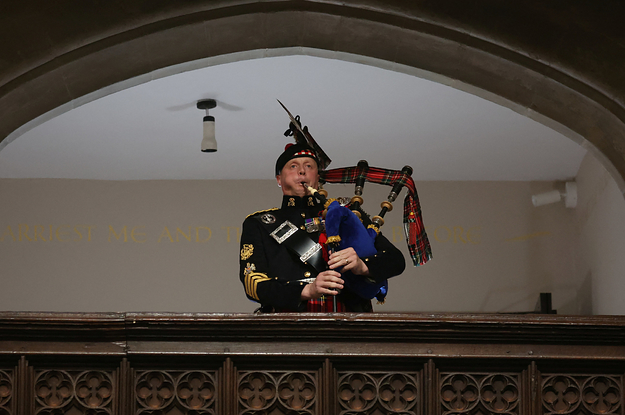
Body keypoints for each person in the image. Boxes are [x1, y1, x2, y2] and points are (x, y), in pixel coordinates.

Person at [239, 143, 405, 312]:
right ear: (279, 179)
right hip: (289, 324)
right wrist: (307, 291)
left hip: (350, 321)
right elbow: (252, 282)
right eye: (293, 166)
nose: (302, 171)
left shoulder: (345, 214)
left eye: (309, 166)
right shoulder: (259, 223)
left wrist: (362, 265)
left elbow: (395, 260)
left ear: (317, 178)